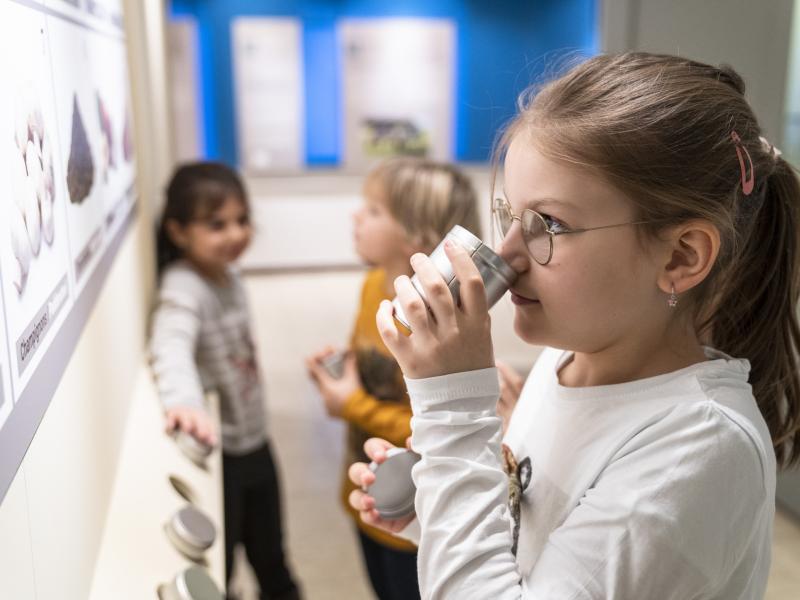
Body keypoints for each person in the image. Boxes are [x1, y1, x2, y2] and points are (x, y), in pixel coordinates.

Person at [349, 52, 800, 598]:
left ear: (681, 256)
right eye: (510, 215)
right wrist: (439, 496)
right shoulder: (563, 363)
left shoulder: (702, 445)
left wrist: (453, 410)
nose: (507, 254)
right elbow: (533, 546)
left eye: (551, 224)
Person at [306, 158, 482, 600]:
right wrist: (340, 370)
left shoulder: (442, 323)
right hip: (369, 490)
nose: (356, 216)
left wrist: (351, 404)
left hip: (416, 517)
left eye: (373, 210)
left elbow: (441, 426)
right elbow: (369, 361)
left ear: (416, 235)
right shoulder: (372, 285)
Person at [150, 162, 300, 600]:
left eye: (242, 220)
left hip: (255, 440)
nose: (236, 234)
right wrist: (184, 402)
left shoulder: (228, 274)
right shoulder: (183, 285)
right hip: (224, 455)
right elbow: (170, 343)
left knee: (272, 556)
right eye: (217, 224)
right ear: (178, 232)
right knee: (224, 566)